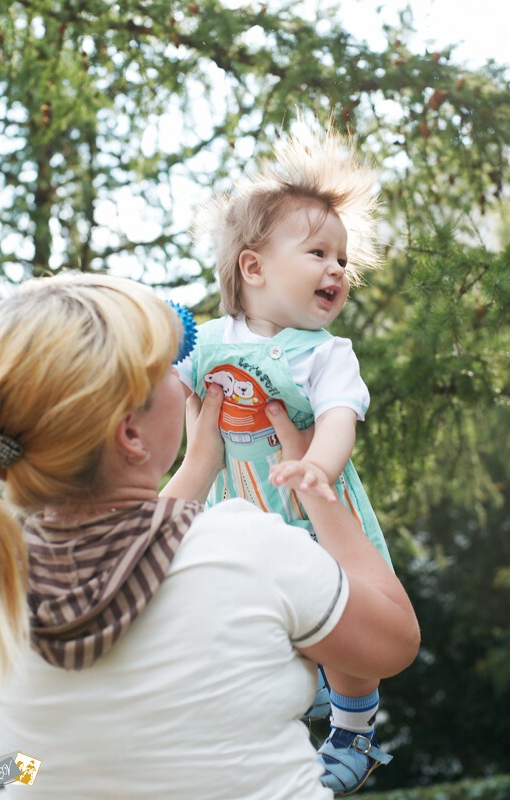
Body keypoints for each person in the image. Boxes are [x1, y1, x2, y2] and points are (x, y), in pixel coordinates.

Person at [0, 272, 419, 799]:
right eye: (167, 368)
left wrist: (199, 465)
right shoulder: (244, 548)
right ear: (131, 433)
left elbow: (7, 770)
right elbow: (394, 642)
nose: (183, 375)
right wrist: (315, 489)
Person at [177, 124, 394, 794]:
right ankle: (274, 720)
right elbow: (162, 396)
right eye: (318, 253)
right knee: (245, 616)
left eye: (342, 259)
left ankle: (353, 730)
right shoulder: (203, 341)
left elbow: (338, 416)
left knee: (351, 619)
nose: (337, 269)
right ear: (254, 268)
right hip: (238, 506)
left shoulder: (326, 353)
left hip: (315, 507)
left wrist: (317, 469)